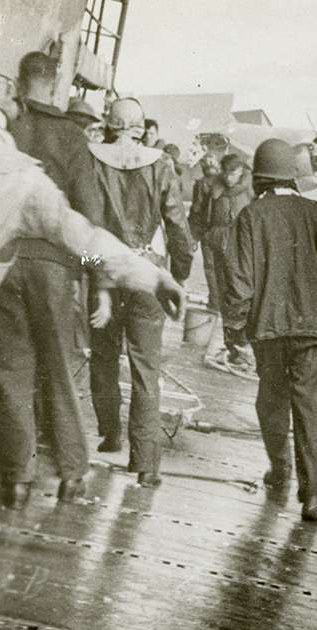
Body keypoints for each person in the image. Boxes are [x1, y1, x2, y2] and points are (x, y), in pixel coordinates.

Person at [0, 66, 185, 607]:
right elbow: (85, 238)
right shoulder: (34, 173)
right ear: (10, 113)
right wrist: (143, 276)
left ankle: (5, 498)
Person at [220, 139, 317, 521]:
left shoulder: (250, 216)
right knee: (309, 406)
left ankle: (280, 469)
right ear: (293, 177)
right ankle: (312, 496)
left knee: (270, 399)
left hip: (269, 327)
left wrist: (234, 330)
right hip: (315, 328)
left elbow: (239, 283)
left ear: (260, 178)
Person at [69, 97, 193, 487]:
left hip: (102, 270)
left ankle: (110, 432)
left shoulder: (90, 158)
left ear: (109, 123)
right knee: (145, 367)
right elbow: (177, 227)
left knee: (103, 357)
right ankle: (146, 462)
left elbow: (82, 228)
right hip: (148, 273)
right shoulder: (161, 164)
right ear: (140, 127)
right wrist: (178, 274)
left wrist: (88, 269)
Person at [0, 52, 91, 510]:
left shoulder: (7, 128)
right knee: (60, 370)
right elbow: (88, 214)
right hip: (54, 267)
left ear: (19, 81)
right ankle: (71, 475)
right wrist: (89, 268)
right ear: (57, 82)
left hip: (4, 261)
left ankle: (17, 480)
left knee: (11, 370)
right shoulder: (72, 135)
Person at [203, 153, 255, 371]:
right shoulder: (215, 187)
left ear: (241, 171)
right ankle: (232, 347)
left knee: (239, 294)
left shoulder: (250, 189)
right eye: (225, 172)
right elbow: (202, 215)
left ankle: (242, 347)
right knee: (221, 294)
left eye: (232, 173)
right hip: (216, 244)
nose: (228, 177)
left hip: (241, 246)